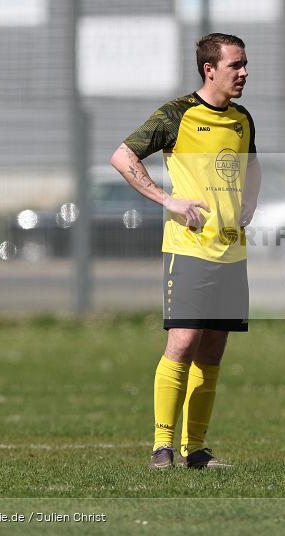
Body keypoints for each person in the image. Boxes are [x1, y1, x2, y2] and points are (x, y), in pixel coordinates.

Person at [110, 33, 261, 470]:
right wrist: (167, 200)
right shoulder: (177, 114)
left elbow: (252, 164)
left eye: (245, 64)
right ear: (209, 69)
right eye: (235, 65)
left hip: (231, 253)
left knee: (212, 351)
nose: (244, 73)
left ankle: (196, 450)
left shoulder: (242, 119)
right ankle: (162, 447)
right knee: (183, 342)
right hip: (188, 251)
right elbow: (122, 156)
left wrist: (249, 201)